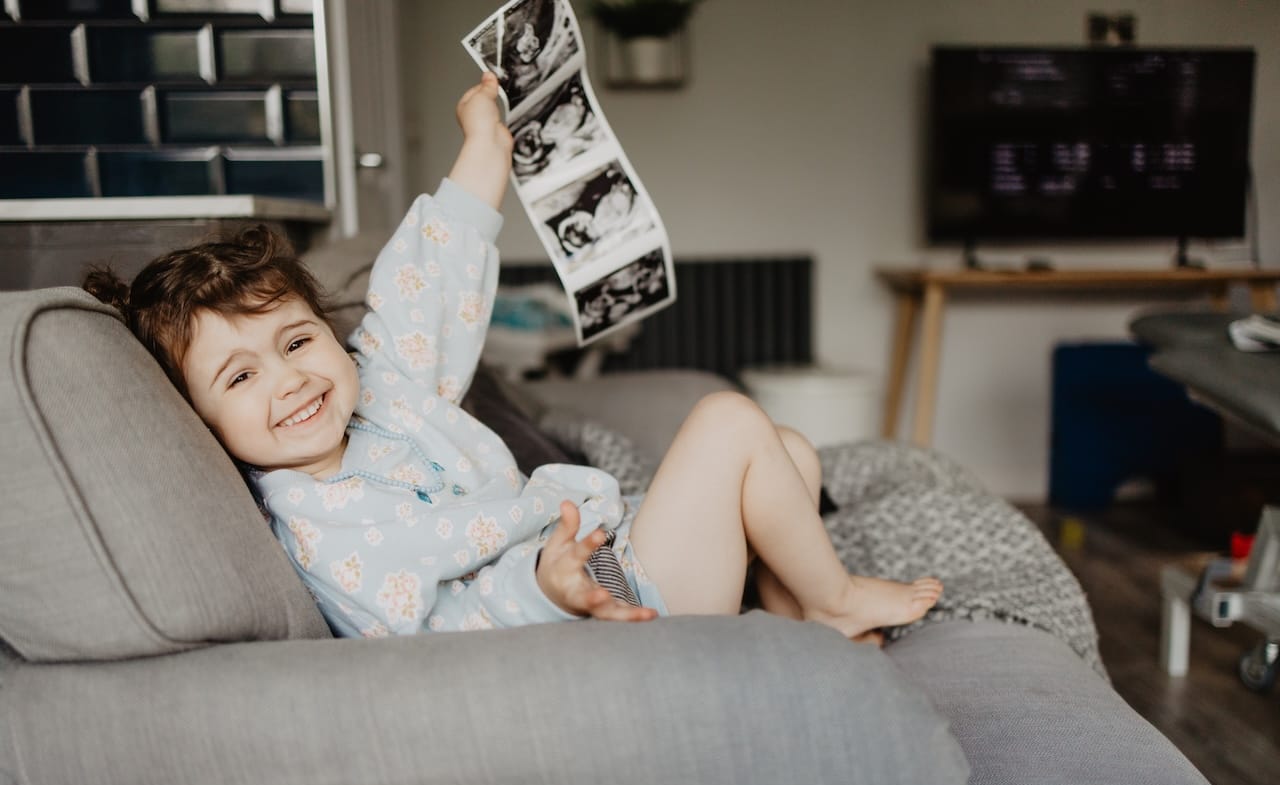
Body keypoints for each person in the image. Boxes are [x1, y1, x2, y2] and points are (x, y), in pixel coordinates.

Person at [83, 72, 942, 641]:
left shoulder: (378, 388)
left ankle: (800, 622)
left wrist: (485, 143)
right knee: (726, 423)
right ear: (200, 421)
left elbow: (430, 277)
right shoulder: (317, 523)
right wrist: (549, 585)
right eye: (241, 376)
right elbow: (425, 629)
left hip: (608, 553)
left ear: (330, 335)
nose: (292, 376)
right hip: (592, 617)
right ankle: (831, 600)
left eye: (297, 339)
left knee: (784, 453)